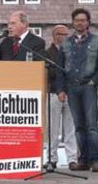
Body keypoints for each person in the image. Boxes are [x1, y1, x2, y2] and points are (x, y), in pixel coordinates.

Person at [56, 8, 98, 172]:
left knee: (92, 125)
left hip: (88, 86)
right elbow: (60, 69)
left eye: (83, 20)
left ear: (88, 22)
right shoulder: (65, 43)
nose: (80, 23)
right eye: (77, 20)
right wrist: (61, 89)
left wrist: (94, 82)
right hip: (71, 88)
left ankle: (95, 160)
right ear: (73, 23)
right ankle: (83, 160)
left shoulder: (97, 42)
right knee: (78, 126)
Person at [43, 25, 77, 171]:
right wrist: (61, 72)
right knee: (53, 128)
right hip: (53, 93)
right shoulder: (47, 53)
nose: (63, 36)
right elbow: (48, 73)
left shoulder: (73, 51)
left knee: (70, 128)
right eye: (60, 34)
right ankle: (52, 158)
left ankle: (72, 159)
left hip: (70, 93)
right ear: (54, 36)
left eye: (65, 34)